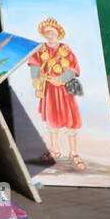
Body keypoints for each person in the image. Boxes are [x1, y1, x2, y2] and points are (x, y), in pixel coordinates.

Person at [28, 17, 84, 171]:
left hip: (64, 89)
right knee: (52, 118)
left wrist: (60, 80)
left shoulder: (65, 49)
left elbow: (73, 68)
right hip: (48, 90)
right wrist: (35, 79)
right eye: (47, 32)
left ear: (58, 33)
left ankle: (73, 152)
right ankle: (54, 149)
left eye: (52, 32)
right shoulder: (41, 49)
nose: (49, 34)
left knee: (69, 118)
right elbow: (34, 64)